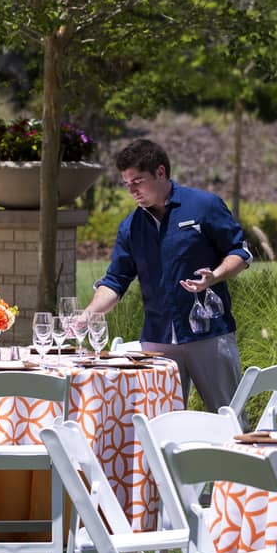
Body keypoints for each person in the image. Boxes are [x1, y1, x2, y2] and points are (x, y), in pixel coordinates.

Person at [84, 139, 252, 412]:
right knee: (158, 425)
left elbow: (240, 253)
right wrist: (89, 313)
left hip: (209, 334)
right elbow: (115, 281)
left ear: (160, 172)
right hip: (156, 342)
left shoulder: (204, 206)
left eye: (138, 181)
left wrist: (215, 276)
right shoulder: (131, 227)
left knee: (229, 418)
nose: (133, 190)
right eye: (128, 184)